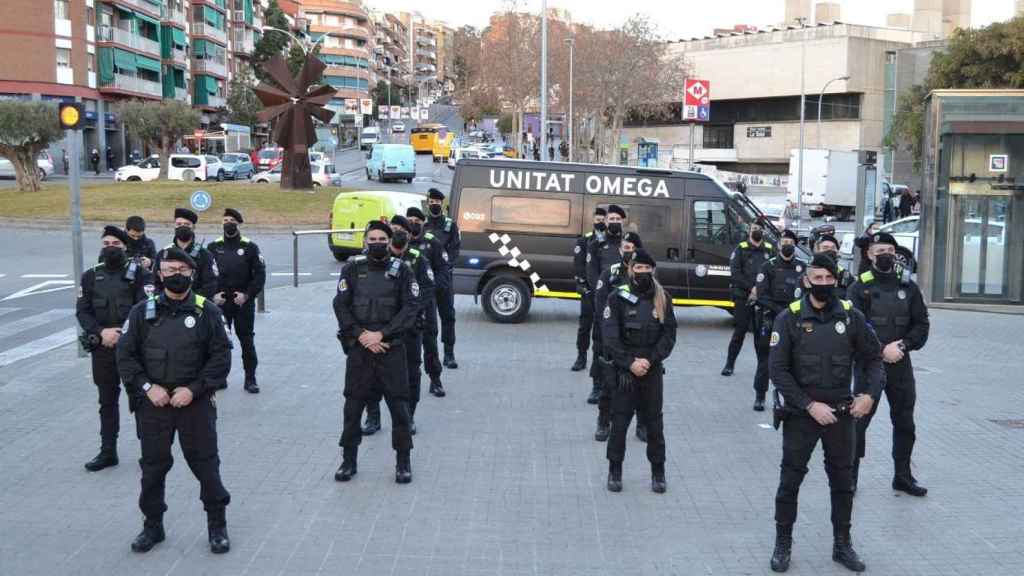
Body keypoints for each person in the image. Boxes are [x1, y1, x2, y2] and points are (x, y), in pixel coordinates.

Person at [768, 253, 884, 573]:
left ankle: (842, 544)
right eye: (816, 278)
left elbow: (873, 360)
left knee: (843, 483)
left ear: (836, 280)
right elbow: (777, 371)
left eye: (827, 279)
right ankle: (782, 543)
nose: (822, 284)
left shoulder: (850, 316)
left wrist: (869, 396)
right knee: (790, 481)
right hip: (801, 415)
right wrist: (808, 405)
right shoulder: (788, 318)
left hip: (840, 415)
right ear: (806, 280)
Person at [116, 246, 232, 554]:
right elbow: (125, 356)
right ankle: (152, 526)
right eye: (169, 270)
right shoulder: (142, 312)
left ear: (192, 274)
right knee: (153, 467)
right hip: (154, 405)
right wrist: (146, 387)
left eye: (182, 271)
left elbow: (221, 359)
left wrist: (193, 390)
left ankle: (217, 525)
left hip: (194, 403)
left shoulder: (208, 311)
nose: (175, 276)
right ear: (159, 274)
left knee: (206, 466)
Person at [333, 221, 418, 484]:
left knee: (399, 409)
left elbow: (410, 309)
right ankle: (349, 461)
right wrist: (361, 336)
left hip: (391, 350)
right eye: (373, 238)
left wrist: (381, 335)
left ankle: (403, 463)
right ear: (365, 241)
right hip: (360, 351)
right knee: (353, 407)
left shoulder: (402, 270)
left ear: (389, 242)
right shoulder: (352, 268)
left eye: (382, 238)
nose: (377, 242)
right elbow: (341, 305)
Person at [847, 232, 930, 497]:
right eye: (880, 250)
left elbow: (922, 325)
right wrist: (882, 350)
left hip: (900, 366)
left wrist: (903, 346)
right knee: (858, 422)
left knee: (905, 422)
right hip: (869, 367)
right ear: (869, 254)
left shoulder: (909, 287)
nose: (885, 255)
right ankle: (849, 477)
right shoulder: (859, 288)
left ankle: (902, 476)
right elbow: (856, 328)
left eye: (890, 251)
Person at [76, 225, 153, 472]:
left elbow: (146, 309)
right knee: (107, 401)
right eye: (106, 243)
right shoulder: (90, 276)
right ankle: (108, 452)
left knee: (140, 399)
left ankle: (149, 452)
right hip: (103, 348)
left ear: (124, 247)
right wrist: (100, 333)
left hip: (132, 349)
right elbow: (83, 311)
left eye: (115, 244)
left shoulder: (140, 274)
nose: (110, 248)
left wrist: (123, 335)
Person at [602, 249, 676, 494]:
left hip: (651, 371)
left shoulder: (663, 298)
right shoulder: (617, 297)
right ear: (631, 270)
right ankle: (615, 470)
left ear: (652, 270)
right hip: (625, 372)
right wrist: (630, 363)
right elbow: (610, 337)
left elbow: (669, 336)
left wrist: (650, 360)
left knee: (654, 425)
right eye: (638, 268)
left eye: (647, 268)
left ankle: (658, 472)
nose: (643, 272)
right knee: (620, 422)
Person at [362, 215, 433, 436]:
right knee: (370, 376)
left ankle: (408, 417)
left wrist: (409, 314)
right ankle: (373, 417)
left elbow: (427, 290)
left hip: (408, 330)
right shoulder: (368, 261)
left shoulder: (417, 258)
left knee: (411, 374)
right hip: (378, 332)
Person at [207, 208, 266, 394]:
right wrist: (213, 296)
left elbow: (259, 275)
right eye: (225, 220)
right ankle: (220, 378)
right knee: (219, 342)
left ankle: (250, 379)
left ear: (239, 223)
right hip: (220, 304)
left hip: (242, 303)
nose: (228, 223)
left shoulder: (250, 247)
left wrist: (247, 295)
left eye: (232, 220)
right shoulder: (213, 247)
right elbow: (206, 275)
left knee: (246, 341)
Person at [593, 232, 642, 442]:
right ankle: (604, 422)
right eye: (625, 248)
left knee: (642, 388)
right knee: (608, 385)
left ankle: (643, 426)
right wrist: (609, 333)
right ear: (620, 250)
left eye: (632, 248)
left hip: (638, 341)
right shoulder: (609, 273)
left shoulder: (644, 275)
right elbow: (600, 305)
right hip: (613, 340)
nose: (628, 252)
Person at [752, 229, 805, 412]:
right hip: (771, 318)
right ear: (778, 245)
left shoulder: (802, 268)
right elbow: (761, 294)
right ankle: (760, 396)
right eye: (784, 242)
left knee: (794, 360)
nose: (787, 246)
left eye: (790, 243)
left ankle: (793, 398)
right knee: (765, 359)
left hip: (794, 319)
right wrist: (780, 311)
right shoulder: (768, 267)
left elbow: (806, 295)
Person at [586, 204, 627, 405]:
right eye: (612, 219)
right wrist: (601, 298)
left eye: (618, 220)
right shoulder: (596, 245)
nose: (615, 223)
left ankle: (622, 386)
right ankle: (597, 386)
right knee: (600, 346)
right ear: (606, 221)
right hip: (603, 305)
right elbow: (592, 275)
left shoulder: (629, 244)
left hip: (625, 306)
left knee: (623, 345)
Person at [722, 220, 774, 376]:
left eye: (759, 229)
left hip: (762, 298)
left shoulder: (770, 249)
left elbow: (774, 272)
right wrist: (751, 288)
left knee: (761, 334)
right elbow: (735, 273)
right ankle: (729, 364)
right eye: (753, 228)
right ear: (749, 231)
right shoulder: (741, 249)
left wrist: (760, 289)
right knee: (740, 331)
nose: (756, 231)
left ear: (763, 232)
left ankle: (763, 368)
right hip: (743, 296)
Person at [406, 206, 446, 397]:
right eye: (410, 220)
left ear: (423, 224)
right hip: (404, 309)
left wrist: (435, 293)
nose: (413, 223)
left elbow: (442, 270)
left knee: (430, 343)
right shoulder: (397, 246)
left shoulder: (432, 243)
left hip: (425, 305)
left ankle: (435, 379)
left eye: (417, 220)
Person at [424, 188, 460, 369]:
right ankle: (430, 355)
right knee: (427, 320)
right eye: (432, 202)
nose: (434, 205)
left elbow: (454, 249)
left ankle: (449, 354)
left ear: (442, 204)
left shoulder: (450, 225)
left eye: (437, 202)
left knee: (448, 316)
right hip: (425, 281)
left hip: (444, 278)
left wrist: (445, 268)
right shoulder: (422, 225)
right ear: (427, 203)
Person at [571, 207, 606, 373]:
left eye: (603, 220)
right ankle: (581, 356)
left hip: (605, 293)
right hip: (589, 292)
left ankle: (598, 359)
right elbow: (578, 265)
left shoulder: (611, 242)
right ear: (593, 220)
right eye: (598, 220)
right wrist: (581, 284)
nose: (600, 223)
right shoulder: (584, 241)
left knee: (602, 328)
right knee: (585, 326)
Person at [153, 208, 217, 297]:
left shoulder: (205, 255)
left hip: (195, 305)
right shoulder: (163, 253)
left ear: (193, 227)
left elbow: (210, 285)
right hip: (167, 305)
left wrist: (189, 300)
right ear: (175, 226)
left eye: (186, 224)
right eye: (179, 224)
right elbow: (155, 282)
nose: (182, 226)